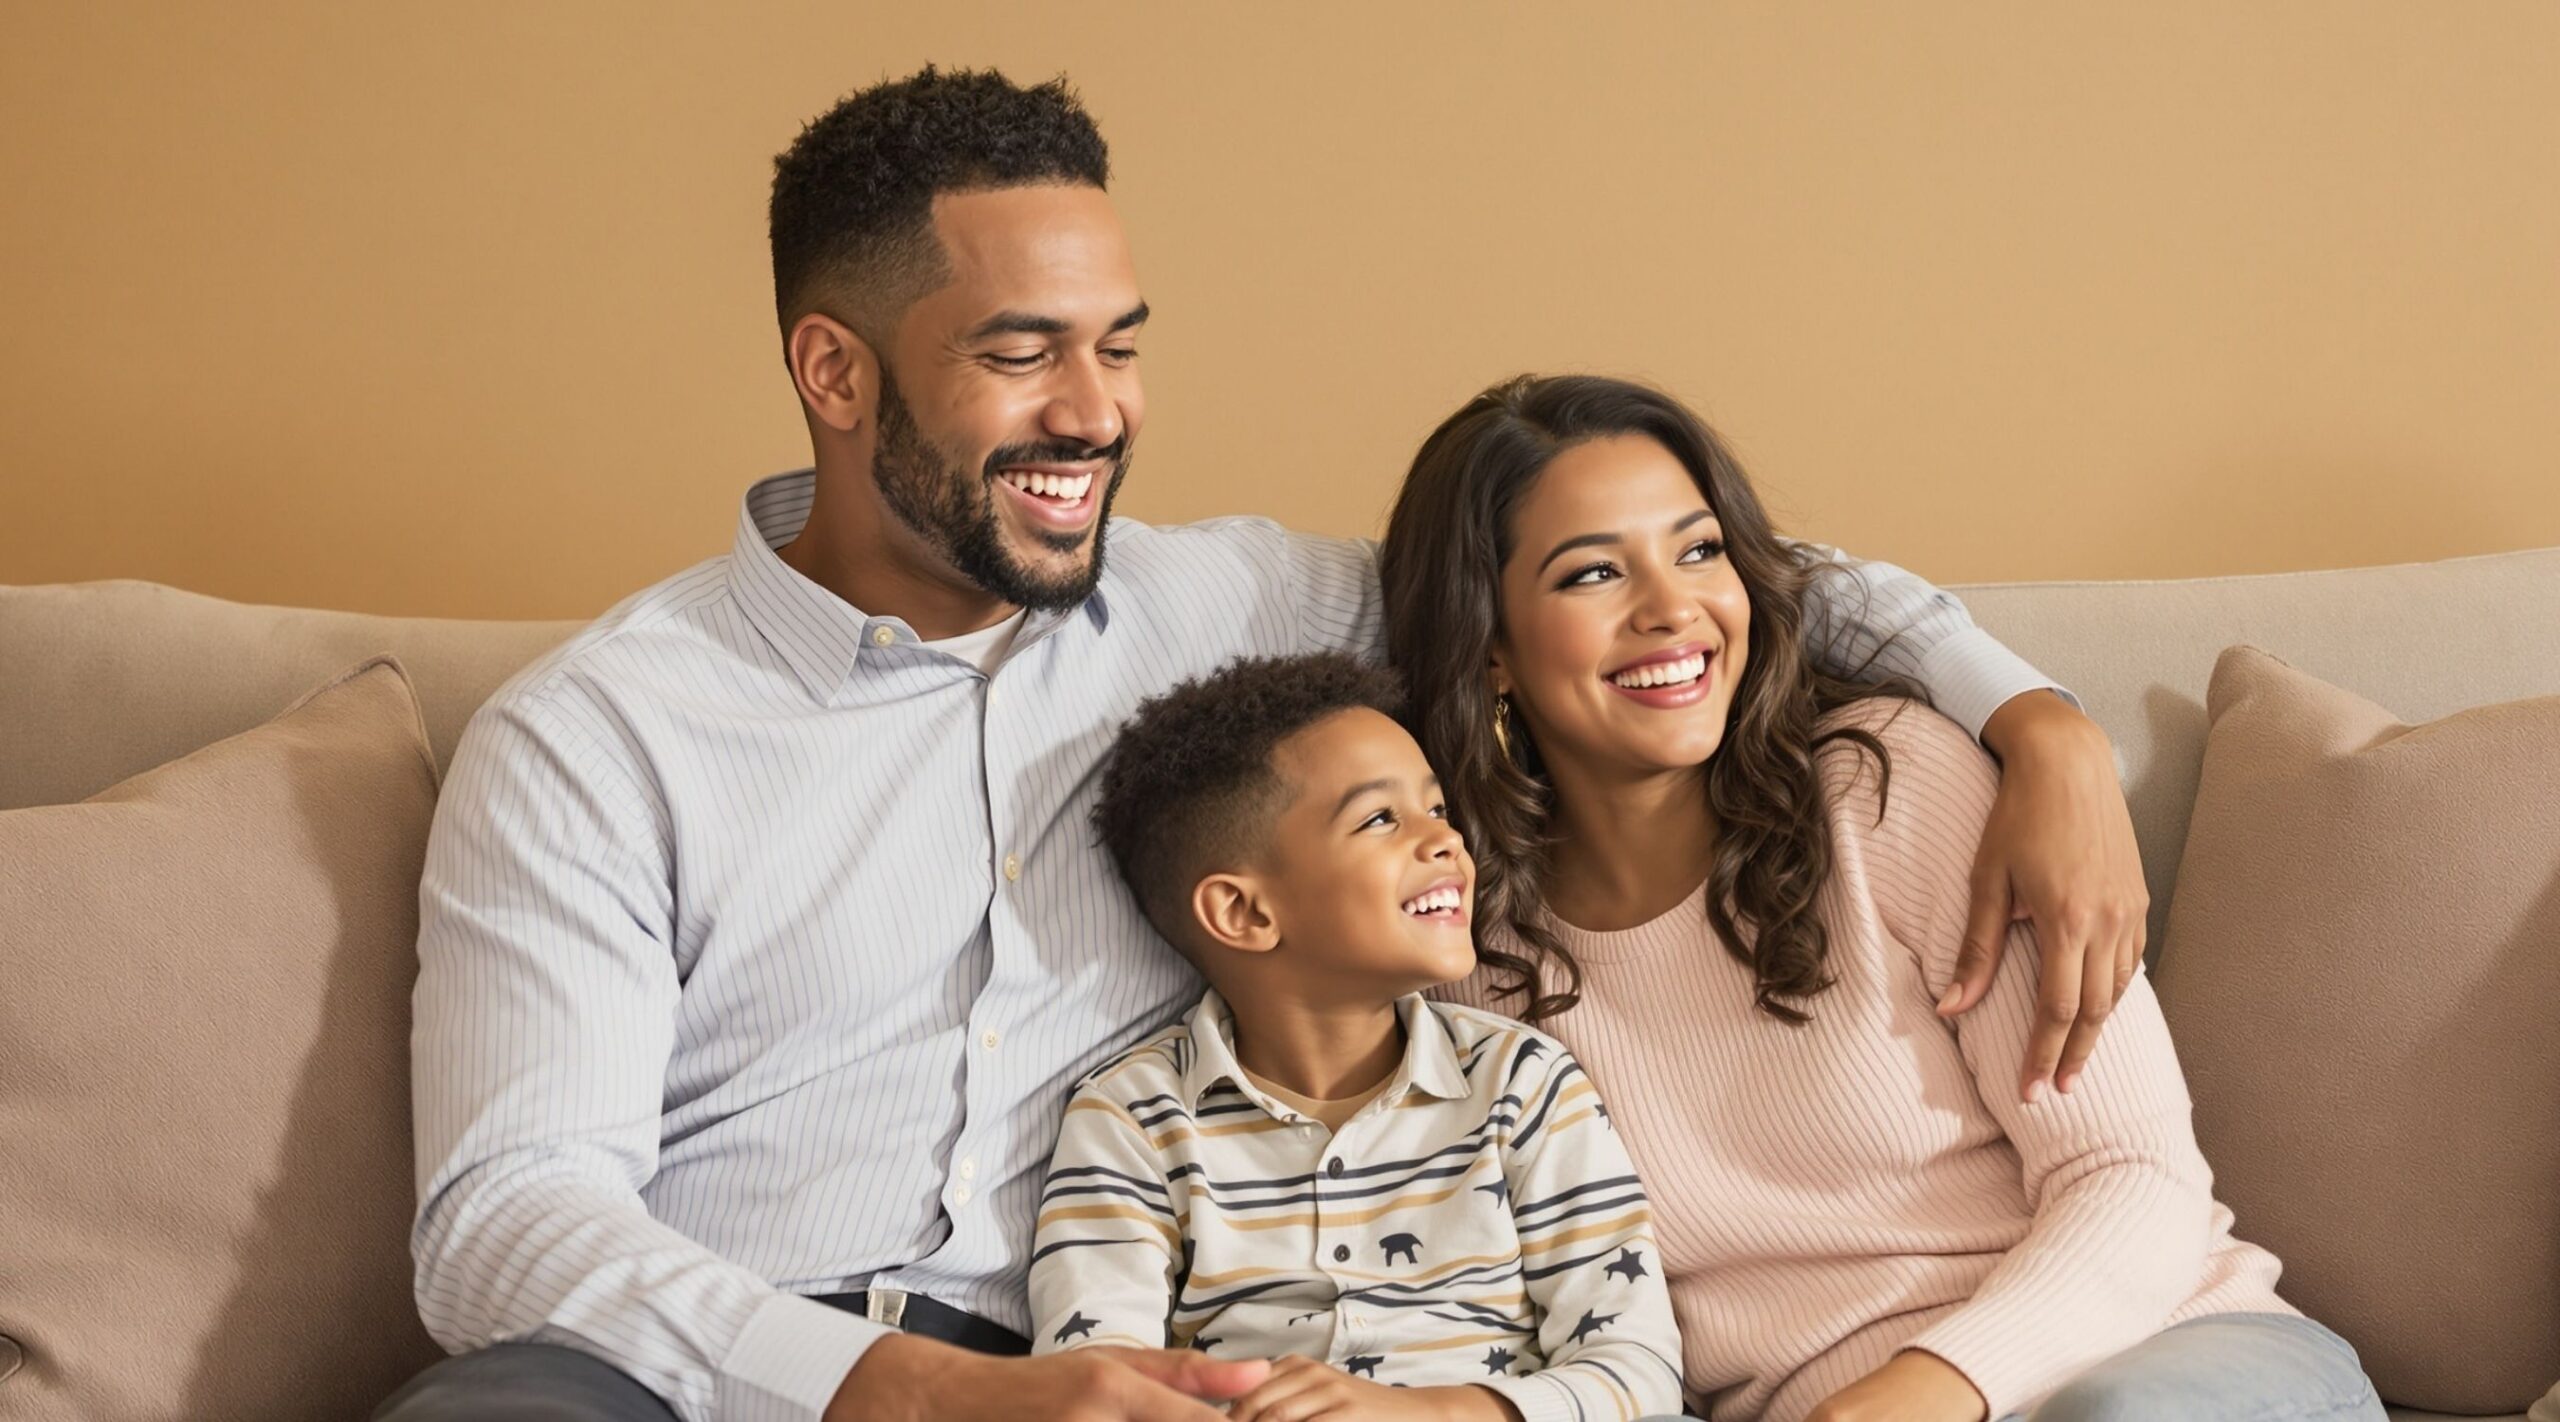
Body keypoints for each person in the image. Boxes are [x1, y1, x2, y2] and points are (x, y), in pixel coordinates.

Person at [381, 68, 2150, 1422]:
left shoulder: (1240, 606)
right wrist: (912, 1392)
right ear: (834, 374)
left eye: (1120, 347)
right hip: (737, 1377)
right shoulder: (599, 736)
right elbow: (502, 1221)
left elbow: (1663, 575)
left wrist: (2037, 721)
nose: (1096, 413)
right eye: (1020, 356)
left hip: (1168, 1366)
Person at [1382, 374, 2385, 1422]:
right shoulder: (1465, 959)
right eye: (1592, 573)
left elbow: (2133, 1174)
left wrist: (1921, 1393)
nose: (1673, 608)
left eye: (1699, 549)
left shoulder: (1885, 787)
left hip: (2169, 1357)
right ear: (1489, 644)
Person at [1032, 653, 1683, 1422]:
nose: (1446, 843)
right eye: (1380, 819)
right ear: (1244, 913)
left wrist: (1427, 1414)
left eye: (1438, 810)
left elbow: (1637, 1370)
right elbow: (1096, 1383)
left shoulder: (1520, 1082)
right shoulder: (1132, 1117)